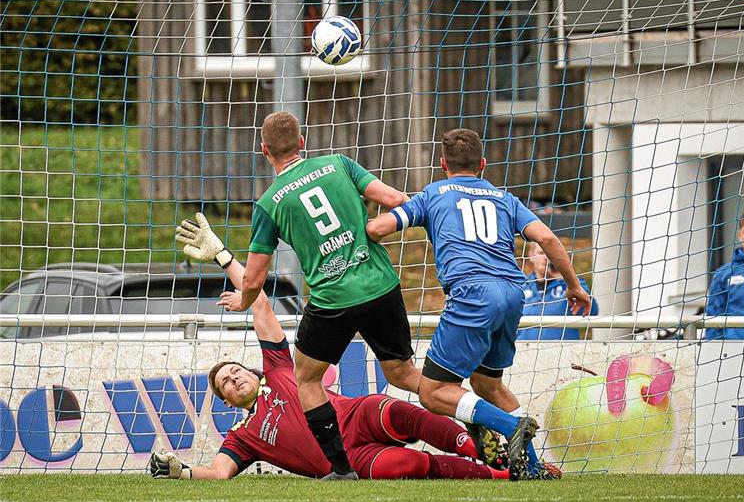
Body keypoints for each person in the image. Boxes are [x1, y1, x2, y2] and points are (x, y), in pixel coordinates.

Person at [156, 213, 513, 481]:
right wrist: (181, 472)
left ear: (251, 370)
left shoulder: (279, 368)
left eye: (235, 372)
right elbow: (218, 474)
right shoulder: (244, 437)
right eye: (227, 385)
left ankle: (488, 450)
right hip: (349, 460)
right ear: (228, 402)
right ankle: (502, 476)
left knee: (406, 414)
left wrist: (222, 255)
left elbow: (260, 303)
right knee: (412, 464)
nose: (235, 380)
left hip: (357, 416)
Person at [366, 128, 591, 480]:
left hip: (473, 294)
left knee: (431, 392)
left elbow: (379, 229)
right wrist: (575, 286)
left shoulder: (433, 194)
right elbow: (547, 237)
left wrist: (357, 226)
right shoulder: (504, 198)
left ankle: (511, 426)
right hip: (513, 293)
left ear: (442, 164)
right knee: (488, 385)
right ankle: (535, 466)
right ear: (483, 164)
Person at [214, 112, 420, 480]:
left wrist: (242, 302)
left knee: (306, 380)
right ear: (302, 142)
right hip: (380, 285)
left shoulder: (269, 204)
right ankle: (472, 414)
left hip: (333, 301)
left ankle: (341, 470)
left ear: (264, 151)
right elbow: (398, 199)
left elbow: (255, 279)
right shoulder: (339, 164)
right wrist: (376, 228)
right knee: (405, 374)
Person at [704, 210, 744, 340]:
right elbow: (714, 317)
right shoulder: (724, 274)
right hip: (733, 350)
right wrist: (711, 350)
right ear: (740, 235)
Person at [518, 242, 599, 340]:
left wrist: (565, 277)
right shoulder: (520, 287)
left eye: (550, 253)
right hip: (525, 351)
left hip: (562, 352)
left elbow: (592, 311)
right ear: (531, 255)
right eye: (541, 253)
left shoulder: (573, 285)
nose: (546, 257)